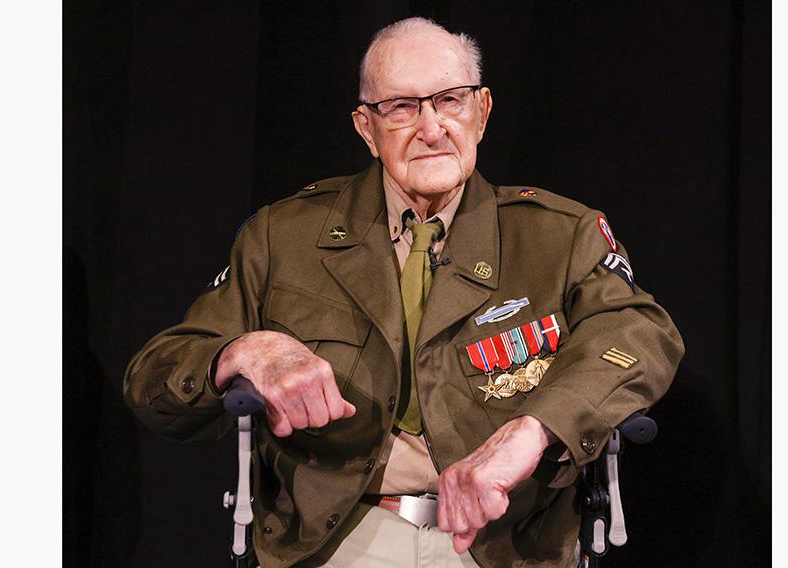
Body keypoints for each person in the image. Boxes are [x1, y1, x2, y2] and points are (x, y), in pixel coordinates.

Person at [124, 16, 684, 568]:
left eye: (450, 101)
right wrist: (243, 352)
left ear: (482, 113)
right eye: (402, 107)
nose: (432, 128)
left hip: (507, 542)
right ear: (367, 129)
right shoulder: (283, 237)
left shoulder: (560, 235)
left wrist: (533, 431)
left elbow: (642, 333)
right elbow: (156, 378)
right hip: (333, 541)